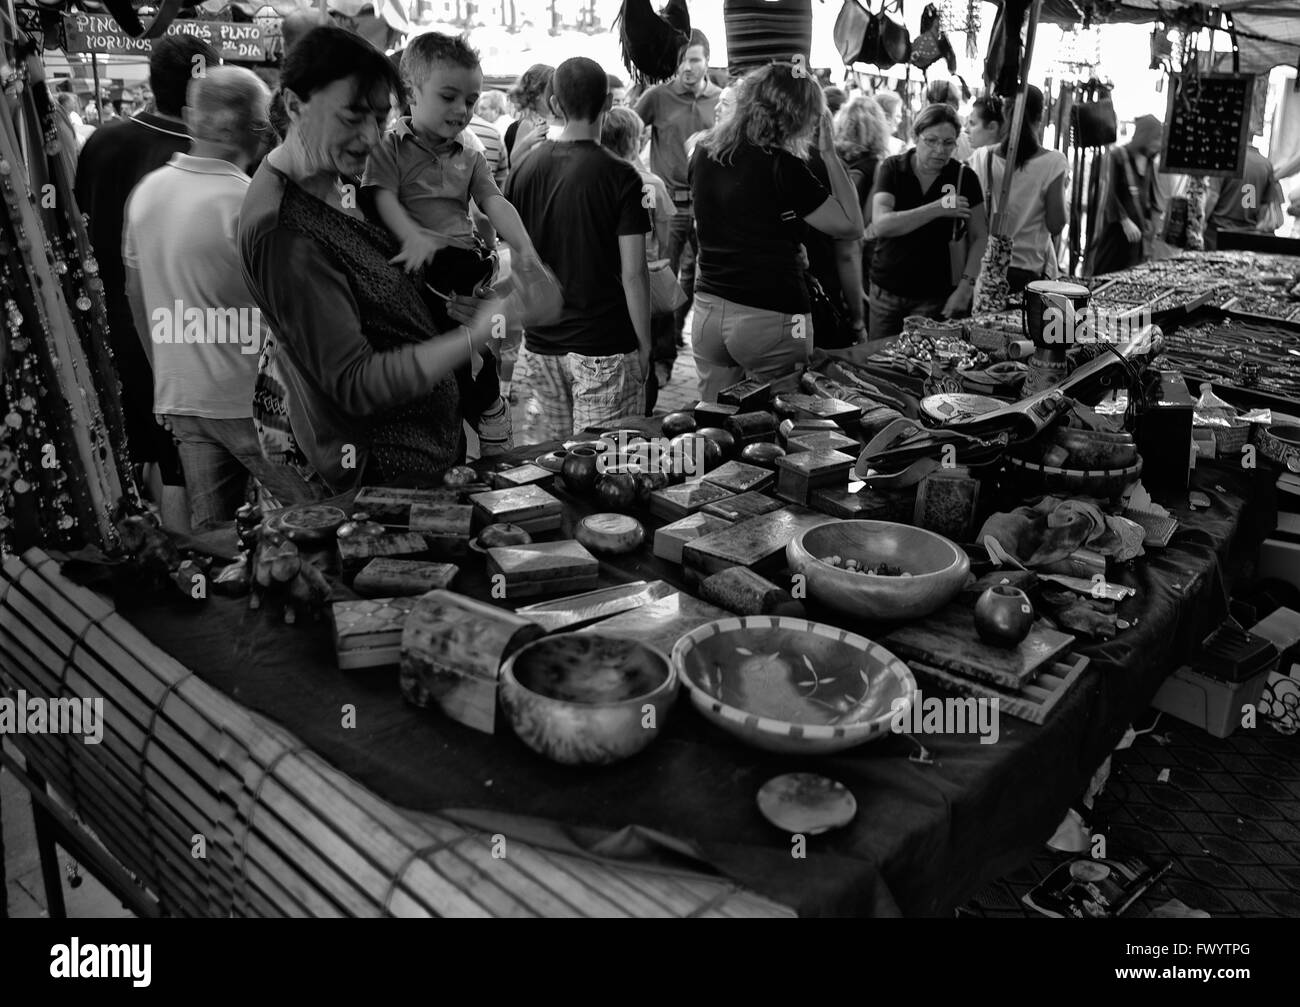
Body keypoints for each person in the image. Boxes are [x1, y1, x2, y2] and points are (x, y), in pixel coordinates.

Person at [239, 26, 500, 492]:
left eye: (380, 119)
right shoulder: (285, 230)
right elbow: (356, 383)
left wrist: (455, 303)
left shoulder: (345, 181)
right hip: (377, 479)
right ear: (295, 105)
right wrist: (472, 338)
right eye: (353, 116)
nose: (370, 136)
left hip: (428, 455)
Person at [124, 67, 317, 529]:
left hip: (182, 399)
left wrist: (165, 380)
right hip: (251, 404)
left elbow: (136, 297)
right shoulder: (248, 202)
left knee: (217, 540)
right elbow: (291, 313)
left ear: (194, 120)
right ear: (254, 131)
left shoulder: (148, 192)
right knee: (315, 521)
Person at [75, 33, 222, 532]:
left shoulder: (102, 141)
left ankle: (157, 553)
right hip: (185, 335)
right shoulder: (206, 158)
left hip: (109, 328)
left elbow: (81, 235)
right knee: (184, 463)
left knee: (141, 450)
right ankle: (188, 568)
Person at [690, 63, 863, 398]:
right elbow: (851, 226)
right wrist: (829, 154)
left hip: (709, 311)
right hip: (770, 316)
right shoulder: (783, 166)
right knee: (779, 425)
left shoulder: (703, 151)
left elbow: (723, 223)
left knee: (714, 426)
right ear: (798, 117)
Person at [504, 57, 651, 439]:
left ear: (554, 105)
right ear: (607, 103)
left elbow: (515, 257)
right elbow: (634, 274)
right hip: (603, 347)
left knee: (540, 472)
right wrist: (646, 345)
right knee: (607, 473)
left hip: (538, 348)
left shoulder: (524, 170)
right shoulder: (622, 176)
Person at [636, 30, 720, 380]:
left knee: (709, 276)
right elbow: (627, 134)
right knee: (662, 276)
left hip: (710, 205)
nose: (687, 67)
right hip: (668, 206)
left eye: (695, 59)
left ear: (707, 62)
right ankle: (662, 355)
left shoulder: (721, 99)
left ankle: (688, 334)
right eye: (681, 60)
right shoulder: (657, 96)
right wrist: (643, 175)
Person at [868, 103, 988, 341]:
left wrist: (966, 287)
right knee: (877, 362)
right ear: (915, 137)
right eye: (931, 141)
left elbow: (980, 236)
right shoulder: (893, 168)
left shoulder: (964, 177)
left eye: (948, 143)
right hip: (886, 290)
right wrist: (937, 208)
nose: (939, 150)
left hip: (935, 296)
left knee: (925, 366)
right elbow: (882, 224)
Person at [602, 105, 675, 413]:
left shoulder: (599, 179)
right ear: (635, 140)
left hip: (610, 278)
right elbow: (665, 234)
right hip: (646, 276)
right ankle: (645, 407)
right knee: (650, 349)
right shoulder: (651, 183)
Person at [967, 86, 1067, 292]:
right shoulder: (1054, 162)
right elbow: (1056, 224)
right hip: (1029, 271)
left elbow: (968, 211)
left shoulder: (982, 157)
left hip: (985, 268)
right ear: (1041, 115)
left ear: (1005, 113)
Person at [1084, 114, 1163, 276]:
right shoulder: (1117, 156)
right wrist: (1124, 220)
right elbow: (1108, 193)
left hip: (1135, 242)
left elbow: (1145, 195)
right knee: (1105, 275)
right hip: (1114, 236)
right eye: (1155, 139)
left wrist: (1147, 219)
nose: (1158, 145)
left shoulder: (1148, 162)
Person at [834, 93, 890, 292]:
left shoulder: (832, 158)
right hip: (856, 255)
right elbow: (867, 219)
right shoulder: (876, 166)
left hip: (828, 246)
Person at [1203, 146, 1285, 250]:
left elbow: (1212, 196)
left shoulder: (1224, 158)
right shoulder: (1266, 165)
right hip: (1247, 237)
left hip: (1216, 234)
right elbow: (1264, 208)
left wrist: (1200, 224)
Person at [504, 63, 554, 164]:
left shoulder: (556, 117)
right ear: (538, 94)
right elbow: (513, 160)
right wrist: (527, 142)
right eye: (551, 89)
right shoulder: (529, 123)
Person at [875, 89, 906, 156]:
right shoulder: (899, 146)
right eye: (897, 116)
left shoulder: (860, 143)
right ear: (886, 117)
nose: (900, 121)